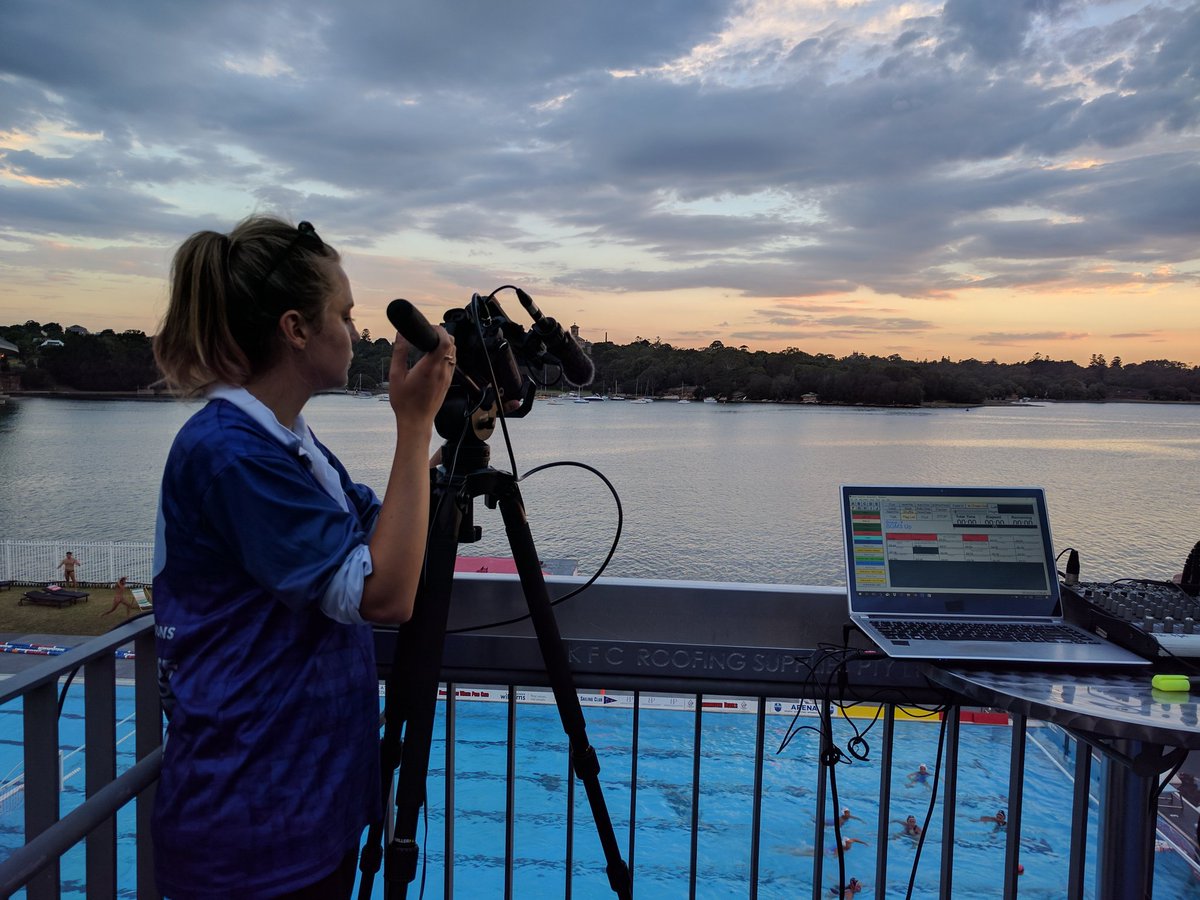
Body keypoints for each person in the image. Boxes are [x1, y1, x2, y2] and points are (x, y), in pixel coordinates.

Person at [149, 215, 455, 899]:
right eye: (343, 315)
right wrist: (412, 424)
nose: (355, 331)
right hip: (252, 825)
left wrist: (446, 447)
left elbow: (378, 526)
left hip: (303, 805)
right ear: (295, 329)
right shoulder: (230, 452)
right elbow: (382, 595)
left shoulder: (288, 442)